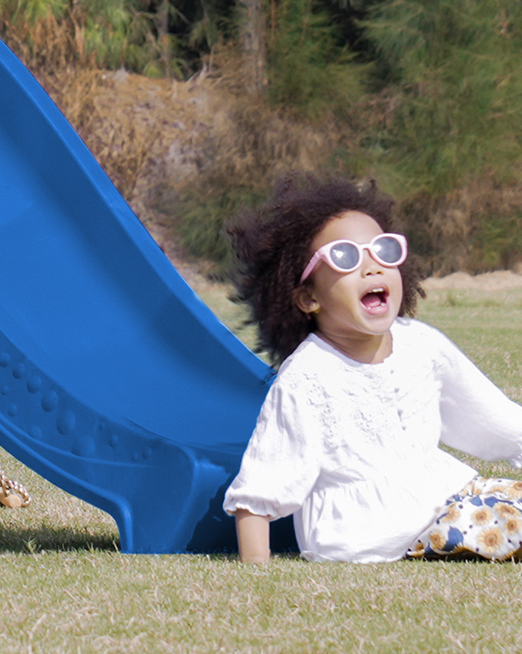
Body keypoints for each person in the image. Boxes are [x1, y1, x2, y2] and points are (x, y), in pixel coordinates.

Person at [221, 176, 522, 562]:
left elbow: (494, 420)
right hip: (373, 530)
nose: (372, 267)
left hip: (448, 497)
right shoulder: (307, 377)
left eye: (384, 250)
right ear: (308, 297)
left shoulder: (421, 343)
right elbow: (262, 486)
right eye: (345, 257)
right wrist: (256, 574)